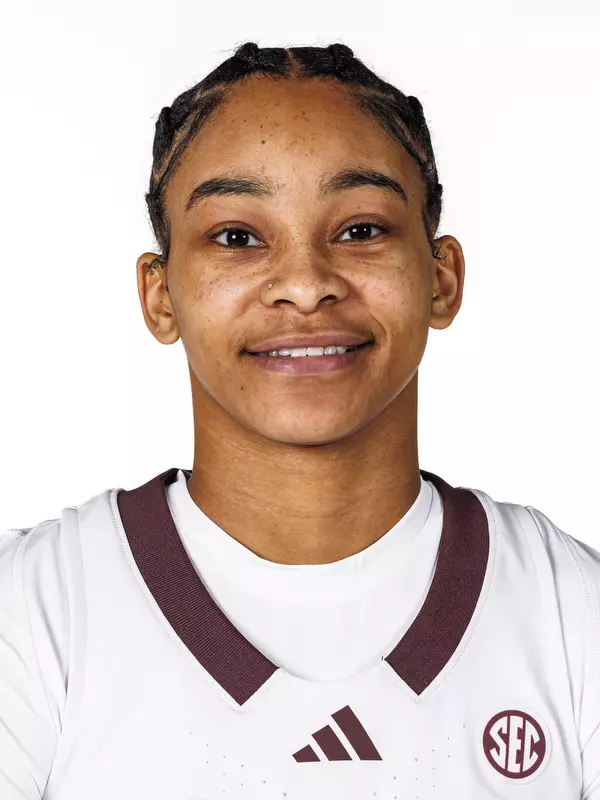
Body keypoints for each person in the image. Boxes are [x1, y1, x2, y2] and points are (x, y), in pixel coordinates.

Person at [1, 40, 598, 800]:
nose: (306, 285)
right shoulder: (37, 612)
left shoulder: (568, 611)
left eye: (361, 230)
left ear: (441, 278)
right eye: (237, 237)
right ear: (160, 296)